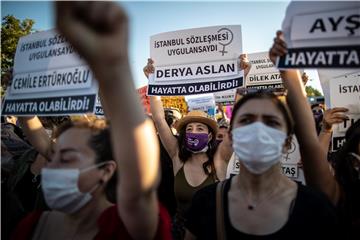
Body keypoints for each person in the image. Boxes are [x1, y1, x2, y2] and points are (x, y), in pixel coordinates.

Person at [11, 2, 171, 240]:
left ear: (106, 170)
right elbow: (35, 132)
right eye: (54, 156)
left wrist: (114, 67)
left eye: (67, 158)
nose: (52, 167)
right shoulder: (30, 226)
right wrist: (21, 93)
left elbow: (140, 186)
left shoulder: (124, 227)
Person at [184, 31, 340, 239]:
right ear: (232, 136)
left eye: (272, 122)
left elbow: (309, 139)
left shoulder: (315, 208)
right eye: (247, 120)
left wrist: (290, 74)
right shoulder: (206, 203)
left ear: (287, 142)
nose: (258, 129)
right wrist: (242, 78)